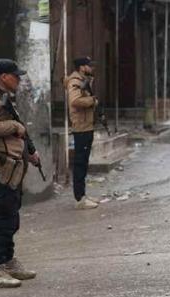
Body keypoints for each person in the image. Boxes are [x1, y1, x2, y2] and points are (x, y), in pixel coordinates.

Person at [0, 59, 40, 288]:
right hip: (3, 166)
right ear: (3, 76)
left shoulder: (3, 97)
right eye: (15, 76)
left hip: (15, 166)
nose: (19, 80)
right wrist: (15, 127)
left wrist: (30, 152)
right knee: (4, 217)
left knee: (12, 217)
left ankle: (9, 261)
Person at [66, 57, 101, 210]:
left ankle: (83, 195)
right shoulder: (75, 81)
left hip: (86, 126)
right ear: (81, 67)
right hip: (81, 127)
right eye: (89, 66)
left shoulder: (83, 80)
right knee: (80, 163)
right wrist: (92, 101)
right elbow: (75, 101)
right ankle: (80, 199)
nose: (91, 68)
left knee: (84, 163)